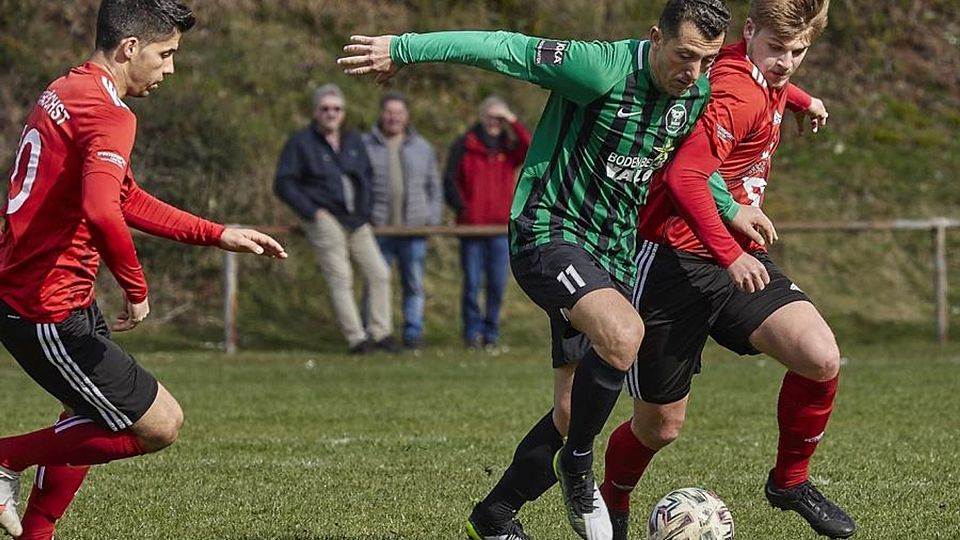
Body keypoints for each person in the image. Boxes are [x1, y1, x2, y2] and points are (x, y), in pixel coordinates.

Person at [338, 2, 775, 538]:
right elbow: (503, 48)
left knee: (570, 411)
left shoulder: (695, 94)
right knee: (623, 333)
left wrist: (732, 209)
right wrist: (404, 48)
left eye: (706, 60)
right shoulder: (600, 68)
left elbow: (686, 169)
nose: (694, 71)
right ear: (655, 36)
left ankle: (494, 515)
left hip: (610, 252)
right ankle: (578, 466)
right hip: (548, 232)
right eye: (685, 55)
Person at [0, 2, 288, 539]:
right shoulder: (112, 114)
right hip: (46, 305)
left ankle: (36, 532)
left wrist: (215, 232)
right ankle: (4, 459)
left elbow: (122, 196)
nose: (169, 69)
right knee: (161, 425)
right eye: (166, 54)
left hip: (47, 294)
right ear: (130, 48)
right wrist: (136, 286)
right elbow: (101, 209)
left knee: (82, 416)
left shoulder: (64, 92)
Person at [595, 1, 857, 539]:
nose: (786, 62)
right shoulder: (738, 91)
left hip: (736, 256)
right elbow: (684, 177)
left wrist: (803, 99)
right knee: (660, 428)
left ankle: (789, 481)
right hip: (673, 261)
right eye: (778, 49)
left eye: (799, 51)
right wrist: (730, 251)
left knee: (820, 356)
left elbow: (769, 76)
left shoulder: (758, 68)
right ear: (751, 30)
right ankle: (611, 499)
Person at [275, 84, 397, 354]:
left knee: (379, 273)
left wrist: (365, 210)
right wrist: (312, 211)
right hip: (323, 217)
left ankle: (381, 334)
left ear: (343, 113)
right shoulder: (301, 142)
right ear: (315, 112)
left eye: (336, 109)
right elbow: (284, 182)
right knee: (341, 276)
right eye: (325, 109)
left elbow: (366, 176)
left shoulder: (353, 140)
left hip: (356, 218)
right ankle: (357, 339)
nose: (331, 113)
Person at [444, 96, 531, 349]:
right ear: (481, 116)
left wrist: (513, 120)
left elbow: (530, 146)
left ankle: (490, 334)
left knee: (496, 285)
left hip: (499, 230)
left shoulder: (509, 147)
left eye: (499, 117)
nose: (494, 121)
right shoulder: (464, 144)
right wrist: (463, 208)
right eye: (491, 116)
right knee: (471, 284)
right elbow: (450, 179)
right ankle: (471, 335)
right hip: (471, 228)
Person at [362, 91, 442, 350]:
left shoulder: (423, 147)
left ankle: (412, 333)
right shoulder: (366, 145)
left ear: (406, 117)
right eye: (389, 112)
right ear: (381, 115)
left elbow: (434, 186)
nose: (393, 117)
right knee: (375, 281)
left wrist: (431, 218)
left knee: (413, 284)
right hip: (379, 228)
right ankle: (375, 333)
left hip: (414, 229)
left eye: (398, 113)